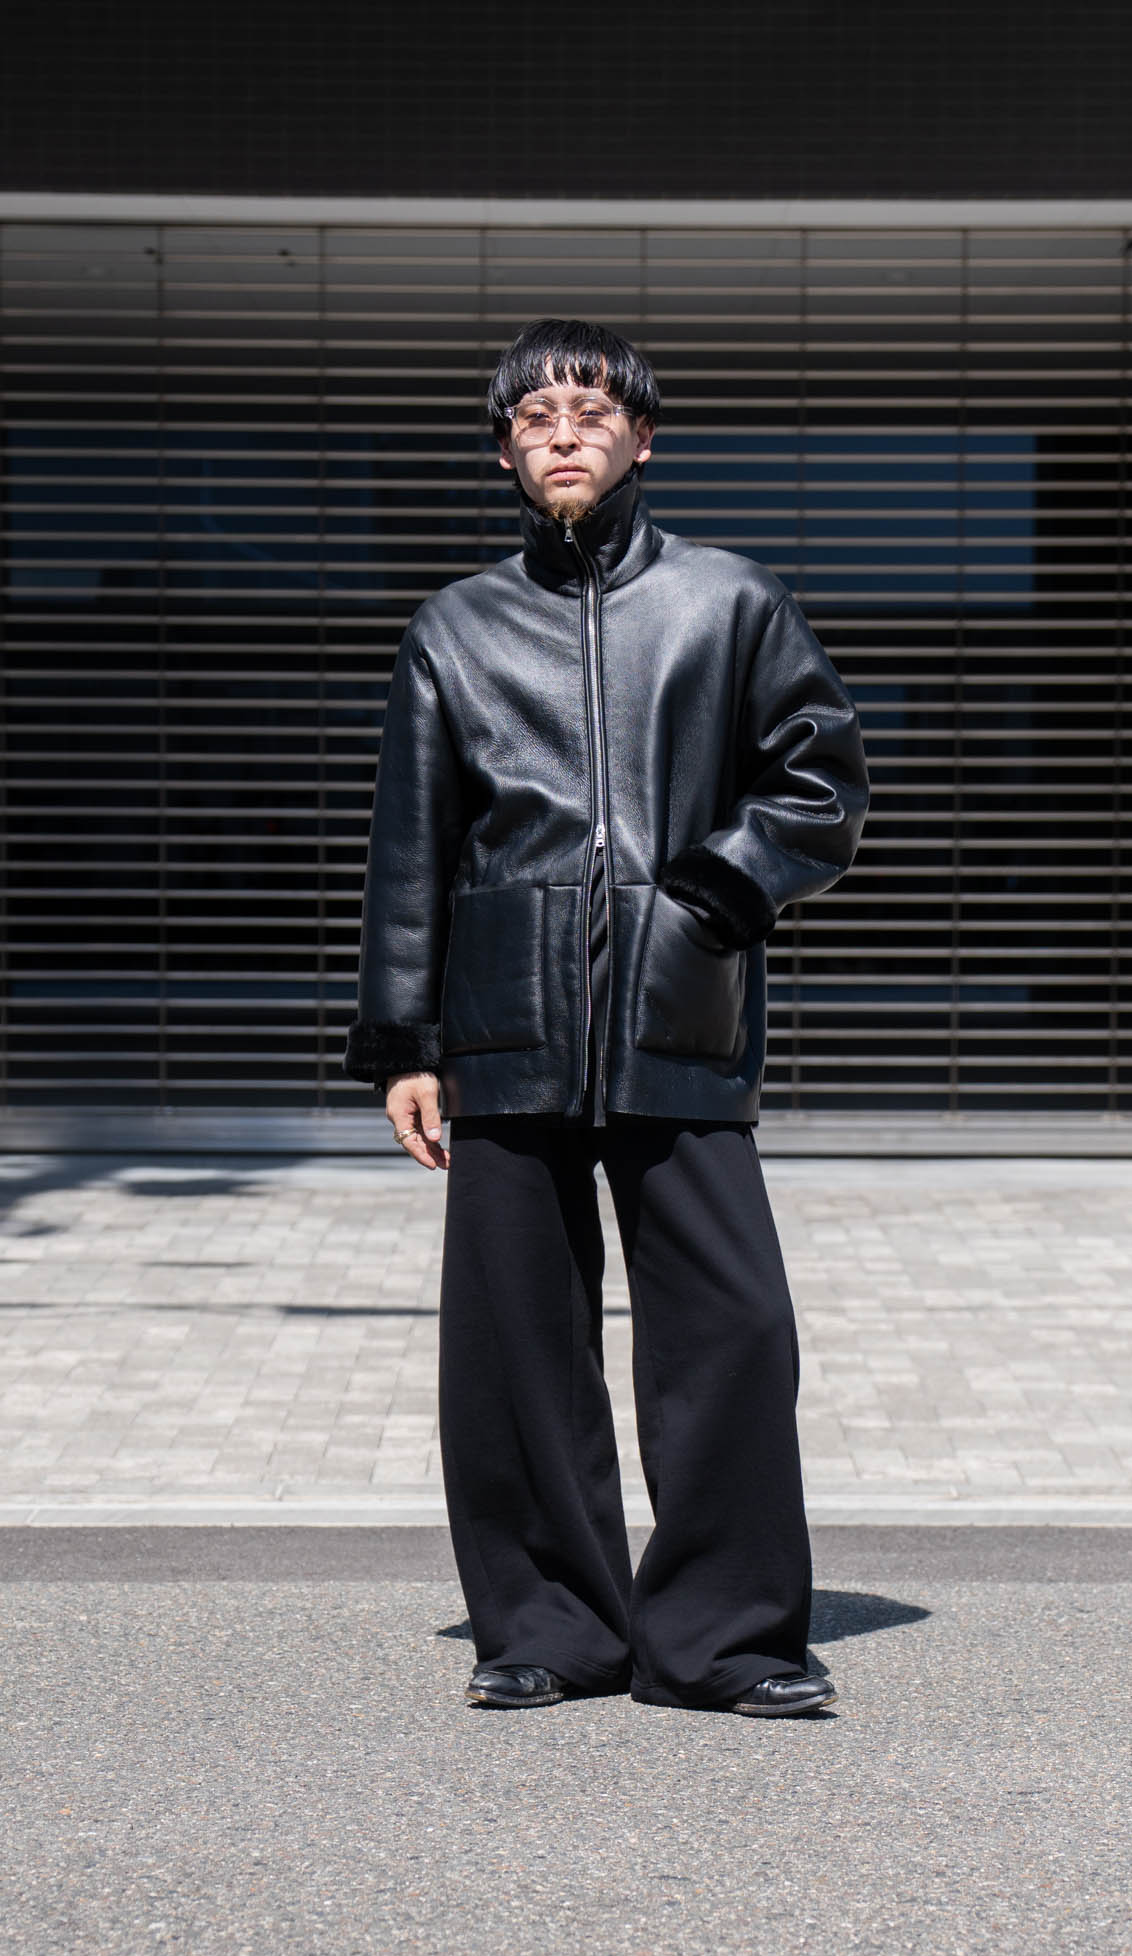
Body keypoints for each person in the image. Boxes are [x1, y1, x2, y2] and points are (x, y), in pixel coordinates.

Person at [344, 318, 869, 1717]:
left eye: (589, 412)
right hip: (503, 1019)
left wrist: (709, 892)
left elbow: (821, 784)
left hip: (674, 1007)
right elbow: (411, 846)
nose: (562, 433)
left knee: (732, 1327)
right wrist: (403, 1042)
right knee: (514, 1340)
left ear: (642, 438)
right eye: (534, 418)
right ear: (505, 453)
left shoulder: (729, 602)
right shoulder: (456, 627)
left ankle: (727, 1637)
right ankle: (548, 1629)